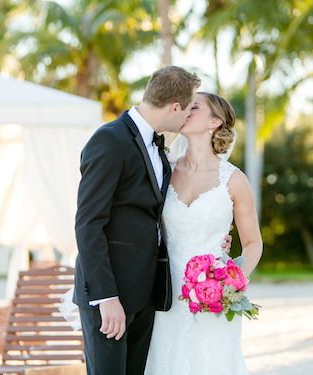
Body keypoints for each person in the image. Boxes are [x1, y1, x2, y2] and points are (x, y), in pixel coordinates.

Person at [74, 66, 233, 375]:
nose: (188, 116)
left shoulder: (160, 149)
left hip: (146, 295)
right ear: (175, 107)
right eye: (188, 109)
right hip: (111, 295)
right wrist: (107, 298)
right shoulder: (109, 140)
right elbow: (88, 224)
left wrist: (214, 237)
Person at [144, 92, 263, 374]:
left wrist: (231, 282)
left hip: (212, 301)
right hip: (164, 294)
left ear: (215, 122)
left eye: (194, 106)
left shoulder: (234, 180)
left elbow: (253, 243)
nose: (185, 109)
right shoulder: (163, 171)